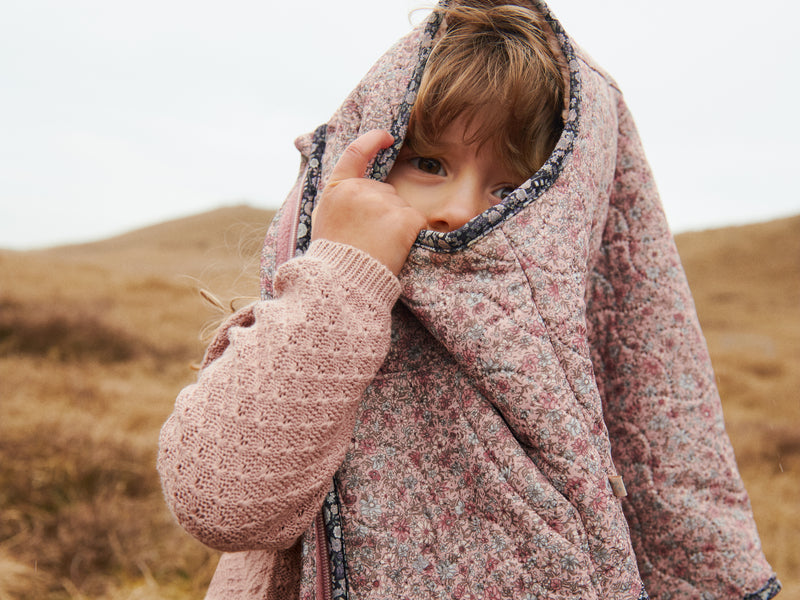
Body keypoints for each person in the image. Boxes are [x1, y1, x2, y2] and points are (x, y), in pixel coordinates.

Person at [157, 1, 780, 599]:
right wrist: (341, 275)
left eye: (511, 190)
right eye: (429, 163)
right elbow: (220, 501)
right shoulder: (315, 310)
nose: (457, 209)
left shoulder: (564, 375)